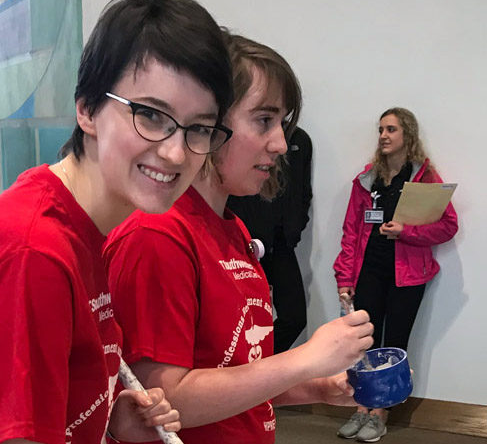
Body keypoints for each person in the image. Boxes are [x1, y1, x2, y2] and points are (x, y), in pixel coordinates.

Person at [0, 0, 235, 444]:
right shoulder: (34, 253)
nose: (175, 151)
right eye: (150, 114)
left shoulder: (89, 227)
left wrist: (106, 417)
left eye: (198, 128)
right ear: (87, 108)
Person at [103, 32, 374, 444]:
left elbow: (233, 372)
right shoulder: (157, 235)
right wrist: (304, 360)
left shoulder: (232, 227)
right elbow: (159, 404)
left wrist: (315, 388)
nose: (281, 144)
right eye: (264, 121)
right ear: (207, 122)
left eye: (281, 124)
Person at [333, 107, 458, 442]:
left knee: (394, 345)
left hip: (408, 277)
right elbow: (350, 232)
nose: (384, 136)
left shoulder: (424, 178)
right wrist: (344, 278)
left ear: (407, 135)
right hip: (369, 273)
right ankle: (363, 408)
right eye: (380, 130)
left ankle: (381, 415)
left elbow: (448, 226)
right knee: (364, 345)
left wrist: (406, 232)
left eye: (391, 130)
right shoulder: (367, 179)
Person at [227, 126, 313, 353]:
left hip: (282, 242)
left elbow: (304, 191)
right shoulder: (245, 136)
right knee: (238, 320)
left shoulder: (299, 140)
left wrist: (297, 225)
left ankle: (262, 365)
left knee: (294, 318)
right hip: (245, 243)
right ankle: (248, 371)